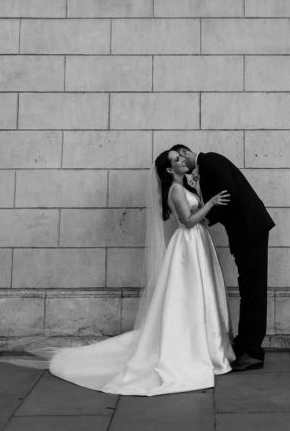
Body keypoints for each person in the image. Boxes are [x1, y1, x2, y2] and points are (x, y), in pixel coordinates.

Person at [45, 153, 235, 395]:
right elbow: (187, 221)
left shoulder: (184, 186)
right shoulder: (176, 191)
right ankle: (194, 348)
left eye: (181, 158)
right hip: (187, 244)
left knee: (201, 293)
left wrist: (199, 190)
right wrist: (210, 202)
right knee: (189, 294)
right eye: (177, 160)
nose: (183, 161)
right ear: (169, 170)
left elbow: (198, 218)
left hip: (197, 242)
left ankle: (208, 346)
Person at [163, 144, 275, 372]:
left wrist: (206, 215)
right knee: (248, 289)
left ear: (184, 153)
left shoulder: (211, 161)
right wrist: (204, 202)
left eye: (180, 158)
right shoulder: (203, 169)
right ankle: (245, 344)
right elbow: (221, 197)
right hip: (246, 234)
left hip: (250, 231)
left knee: (253, 291)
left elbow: (228, 194)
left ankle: (252, 352)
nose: (182, 164)